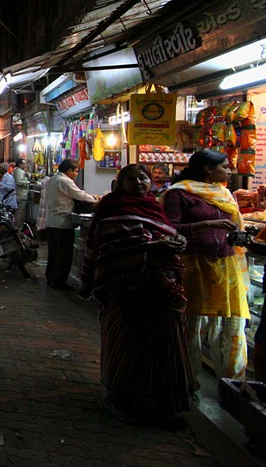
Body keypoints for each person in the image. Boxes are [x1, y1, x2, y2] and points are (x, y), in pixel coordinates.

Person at [78, 164, 191, 430]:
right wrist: (151, 246)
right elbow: (108, 244)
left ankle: (162, 404)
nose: (140, 182)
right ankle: (122, 401)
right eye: (132, 178)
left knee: (165, 344)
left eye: (144, 177)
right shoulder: (111, 209)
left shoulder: (154, 207)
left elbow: (169, 234)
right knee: (128, 343)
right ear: (121, 183)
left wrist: (178, 242)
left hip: (162, 289)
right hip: (125, 289)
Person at [161, 148, 248, 387]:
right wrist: (206, 224)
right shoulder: (179, 193)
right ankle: (186, 382)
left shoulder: (224, 193)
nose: (230, 171)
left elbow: (234, 225)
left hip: (226, 266)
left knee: (232, 325)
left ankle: (232, 384)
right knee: (192, 326)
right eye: (225, 167)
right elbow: (169, 228)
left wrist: (240, 237)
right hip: (193, 265)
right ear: (208, 169)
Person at [44, 159, 100, 290]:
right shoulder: (65, 181)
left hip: (52, 222)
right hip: (62, 223)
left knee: (53, 253)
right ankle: (58, 281)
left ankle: (51, 278)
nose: (76, 174)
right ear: (69, 170)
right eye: (76, 171)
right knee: (63, 255)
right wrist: (96, 199)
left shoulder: (53, 179)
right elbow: (80, 195)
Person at [12, 158, 31, 228]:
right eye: (24, 164)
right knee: (20, 212)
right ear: (20, 164)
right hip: (21, 194)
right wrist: (28, 182)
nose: (25, 165)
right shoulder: (19, 171)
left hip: (19, 194)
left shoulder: (17, 170)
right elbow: (19, 182)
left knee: (18, 212)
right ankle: (19, 227)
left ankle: (17, 226)